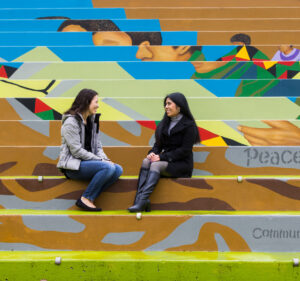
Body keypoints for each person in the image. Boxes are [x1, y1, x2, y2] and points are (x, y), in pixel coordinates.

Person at [128, 92, 200, 212]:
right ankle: (139, 200)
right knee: (146, 161)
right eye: (165, 104)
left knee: (156, 164)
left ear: (179, 106)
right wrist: (152, 153)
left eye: (169, 104)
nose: (166, 107)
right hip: (165, 160)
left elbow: (185, 150)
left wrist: (162, 157)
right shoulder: (164, 123)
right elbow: (158, 145)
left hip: (181, 164)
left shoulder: (189, 125)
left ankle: (142, 201)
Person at [57, 88, 123, 211]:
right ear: (87, 102)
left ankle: (90, 198)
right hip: (72, 166)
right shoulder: (71, 122)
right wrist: (102, 161)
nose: (98, 106)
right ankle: (85, 198)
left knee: (118, 169)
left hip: (88, 163)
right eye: (96, 102)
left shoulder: (92, 121)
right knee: (107, 167)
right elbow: (76, 151)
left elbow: (98, 146)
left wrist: (105, 159)